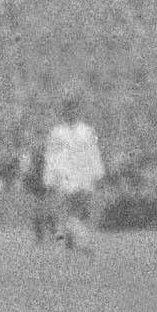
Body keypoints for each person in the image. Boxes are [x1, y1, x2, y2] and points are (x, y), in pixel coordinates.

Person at [39, 97, 105, 255]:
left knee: (81, 212)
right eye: (69, 110)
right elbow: (50, 156)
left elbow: (93, 153)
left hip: (83, 177)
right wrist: (49, 178)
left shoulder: (87, 131)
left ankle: (78, 240)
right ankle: (67, 243)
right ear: (64, 112)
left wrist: (98, 173)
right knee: (62, 213)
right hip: (63, 178)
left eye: (74, 110)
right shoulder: (57, 132)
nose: (71, 113)